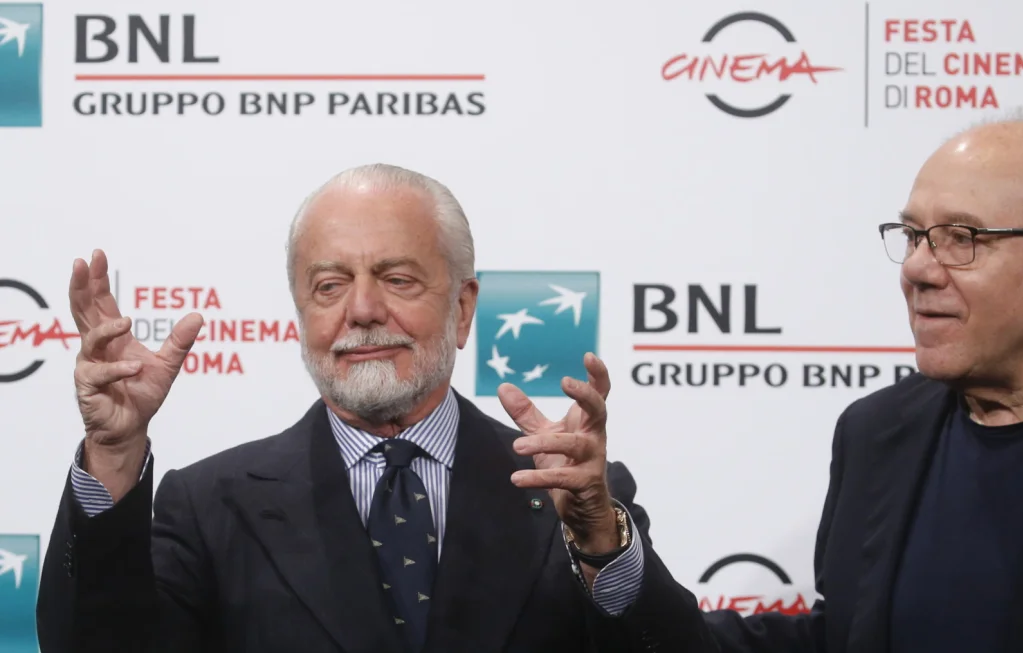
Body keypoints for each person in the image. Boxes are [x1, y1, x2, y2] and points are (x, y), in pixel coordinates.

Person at [586, 109, 1023, 652]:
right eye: (912, 234)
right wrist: (606, 546)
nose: (918, 268)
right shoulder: (874, 431)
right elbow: (838, 640)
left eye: (960, 238)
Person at [36, 164, 646, 653]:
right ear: (302, 313)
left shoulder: (574, 494)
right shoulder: (208, 504)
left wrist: (598, 545)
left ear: (462, 309)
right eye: (329, 285)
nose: (361, 310)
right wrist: (113, 455)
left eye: (398, 279)